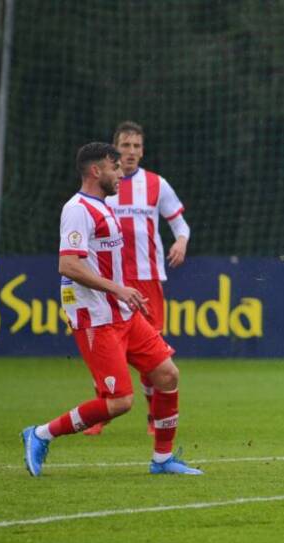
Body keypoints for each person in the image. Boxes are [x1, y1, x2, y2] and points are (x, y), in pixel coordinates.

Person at [20, 142, 201, 476]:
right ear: (95, 171)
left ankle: (162, 459)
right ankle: (40, 433)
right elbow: (68, 264)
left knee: (167, 374)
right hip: (96, 319)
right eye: (114, 167)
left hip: (123, 314)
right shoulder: (77, 209)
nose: (120, 173)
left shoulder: (104, 207)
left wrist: (126, 293)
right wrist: (119, 289)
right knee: (119, 402)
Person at [84, 121, 191, 436]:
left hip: (147, 279)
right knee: (106, 347)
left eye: (136, 146)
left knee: (152, 353)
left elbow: (180, 224)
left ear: (143, 151)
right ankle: (100, 412)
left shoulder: (157, 184)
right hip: (111, 283)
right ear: (114, 149)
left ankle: (154, 416)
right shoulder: (105, 186)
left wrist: (181, 241)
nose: (130, 152)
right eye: (125, 146)